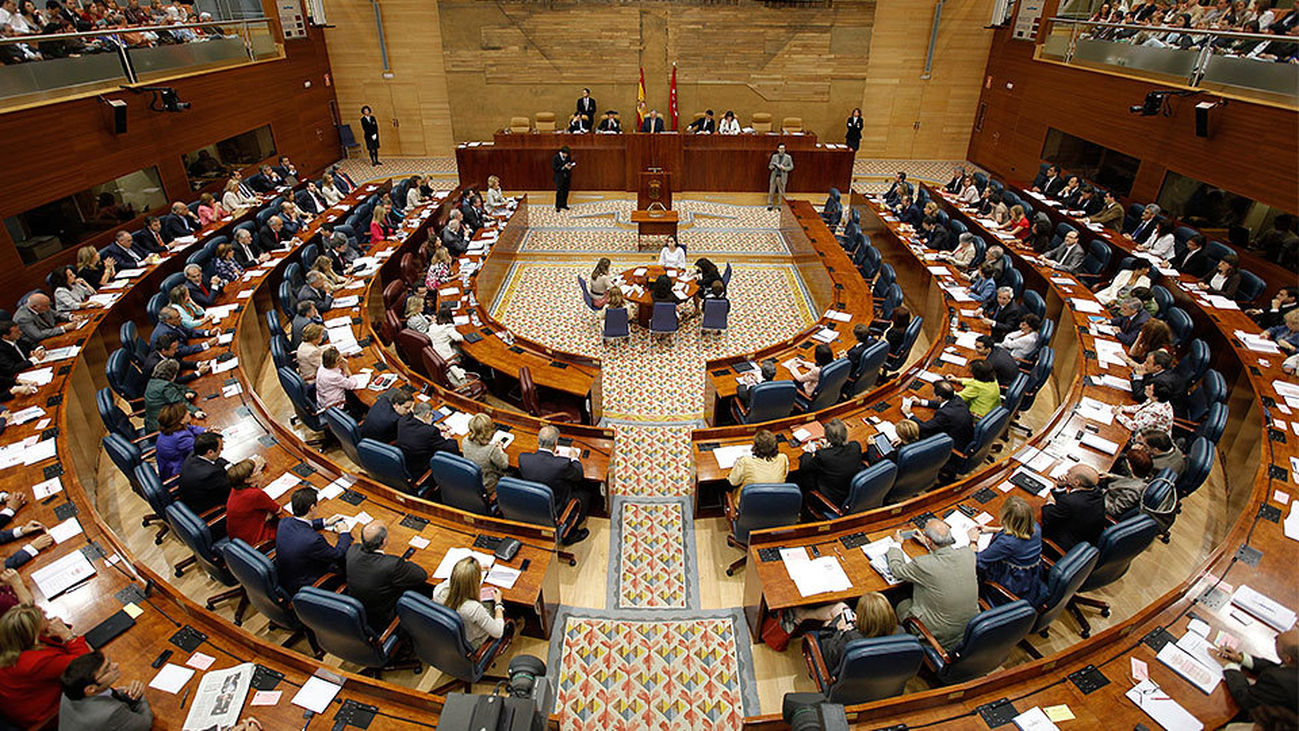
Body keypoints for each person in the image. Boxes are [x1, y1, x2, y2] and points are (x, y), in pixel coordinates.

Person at [887, 520, 979, 651]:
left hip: (937, 636)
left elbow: (896, 569)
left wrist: (896, 544)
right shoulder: (968, 554)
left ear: (930, 541)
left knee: (895, 593)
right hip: (970, 629)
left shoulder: (922, 564)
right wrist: (927, 544)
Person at [0, 605, 90, 726]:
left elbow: (57, 647)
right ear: (34, 633)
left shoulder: (15, 645)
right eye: (45, 618)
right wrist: (66, 634)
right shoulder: (35, 662)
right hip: (53, 718)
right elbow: (87, 664)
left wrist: (54, 630)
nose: (47, 615)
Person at [346, 522, 428, 628]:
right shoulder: (392, 565)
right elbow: (422, 576)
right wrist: (404, 562)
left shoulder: (352, 550)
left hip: (357, 611)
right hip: (383, 617)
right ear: (384, 541)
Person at [969, 496, 1046, 607]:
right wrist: (992, 529)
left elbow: (977, 561)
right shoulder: (1035, 527)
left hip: (1011, 583)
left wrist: (973, 541)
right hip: (1031, 578)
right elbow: (1019, 530)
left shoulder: (1007, 543)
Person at [276, 487, 352, 594]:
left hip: (286, 576)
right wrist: (344, 532)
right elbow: (338, 554)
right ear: (312, 508)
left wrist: (324, 522)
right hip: (305, 584)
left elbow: (301, 525)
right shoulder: (314, 540)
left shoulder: (284, 522)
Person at [57, 650, 153, 731]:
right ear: (91, 689)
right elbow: (145, 723)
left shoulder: (69, 691)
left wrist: (125, 693)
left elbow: (107, 693)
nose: (115, 665)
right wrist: (138, 696)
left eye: (109, 662)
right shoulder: (111, 713)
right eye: (107, 669)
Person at [1213, 628, 1298, 717]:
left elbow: (1246, 699)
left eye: (1277, 640)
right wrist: (1241, 659)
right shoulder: (1294, 662)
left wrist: (1229, 666)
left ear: (1288, 658)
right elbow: (1279, 667)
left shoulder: (1280, 682)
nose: (1275, 638)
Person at [432, 556, 508, 650]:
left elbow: (457, 580)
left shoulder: (438, 591)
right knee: (494, 606)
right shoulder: (473, 608)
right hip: (472, 639)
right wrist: (498, 603)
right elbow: (498, 632)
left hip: (450, 634)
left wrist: (472, 571)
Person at [817, 592, 897, 672]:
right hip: (886, 674)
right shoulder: (899, 632)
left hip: (845, 675)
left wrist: (839, 631)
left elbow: (829, 656)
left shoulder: (851, 639)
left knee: (828, 622)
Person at [795, 419, 862, 506]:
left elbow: (804, 466)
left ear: (827, 438)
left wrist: (808, 452)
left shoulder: (823, 456)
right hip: (849, 490)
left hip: (831, 499)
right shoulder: (855, 446)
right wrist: (828, 448)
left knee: (802, 475)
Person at [1042, 464, 1105, 550]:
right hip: (1086, 537)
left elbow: (1048, 517)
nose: (1066, 473)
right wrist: (1061, 487)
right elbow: (1068, 507)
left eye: (1069, 473)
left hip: (1065, 543)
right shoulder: (1097, 492)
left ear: (1076, 483)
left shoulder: (1071, 502)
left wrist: (1050, 503)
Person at [395, 402, 461, 477]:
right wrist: (448, 437)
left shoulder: (403, 421)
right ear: (427, 414)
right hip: (421, 469)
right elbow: (452, 448)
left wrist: (434, 424)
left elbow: (415, 418)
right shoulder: (430, 432)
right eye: (432, 415)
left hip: (406, 463)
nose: (432, 417)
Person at [904, 380, 974, 448]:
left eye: (934, 394)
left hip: (955, 445)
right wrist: (921, 402)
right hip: (966, 436)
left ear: (939, 398)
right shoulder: (957, 398)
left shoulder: (944, 414)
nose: (933, 395)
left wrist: (909, 414)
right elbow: (942, 404)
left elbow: (924, 427)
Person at [225, 458, 278, 546]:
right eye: (256, 470)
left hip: (240, 540)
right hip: (257, 542)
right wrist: (266, 515)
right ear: (247, 480)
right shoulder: (255, 494)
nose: (260, 471)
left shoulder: (235, 489)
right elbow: (277, 510)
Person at [727, 429, 789, 501]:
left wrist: (736, 465)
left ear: (755, 447)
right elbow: (785, 474)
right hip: (774, 501)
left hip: (748, 504)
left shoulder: (745, 461)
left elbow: (733, 482)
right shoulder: (783, 458)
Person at [143, 358, 201, 433]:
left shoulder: (155, 381)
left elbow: (180, 387)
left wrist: (186, 392)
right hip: (162, 427)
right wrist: (195, 411)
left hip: (153, 422)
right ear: (173, 375)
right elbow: (179, 402)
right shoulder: (165, 386)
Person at [461, 413, 509, 497]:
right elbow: (505, 465)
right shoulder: (492, 450)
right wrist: (500, 450)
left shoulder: (465, 441)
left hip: (472, 480)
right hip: (488, 484)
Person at [156, 402, 203, 480]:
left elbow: (190, 428)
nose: (189, 412)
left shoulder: (171, 427)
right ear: (180, 420)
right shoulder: (181, 438)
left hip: (165, 466)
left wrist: (205, 431)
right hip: (178, 474)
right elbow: (201, 451)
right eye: (186, 412)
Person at [316, 346, 366, 419]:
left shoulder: (322, 367)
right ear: (336, 362)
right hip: (334, 405)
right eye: (340, 359)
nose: (342, 359)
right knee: (358, 398)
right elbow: (351, 385)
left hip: (323, 399)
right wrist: (346, 368)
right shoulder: (333, 376)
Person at [767, 143, 794, 211]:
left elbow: (791, 167)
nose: (782, 150)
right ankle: (770, 204)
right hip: (774, 176)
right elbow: (770, 166)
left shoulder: (788, 157)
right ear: (778, 149)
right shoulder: (774, 156)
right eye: (780, 148)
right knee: (771, 191)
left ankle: (780, 205)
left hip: (782, 176)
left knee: (781, 192)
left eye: (783, 148)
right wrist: (773, 167)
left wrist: (785, 168)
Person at [552, 146, 574, 212]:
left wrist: (569, 166)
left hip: (566, 176)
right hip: (559, 177)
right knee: (559, 192)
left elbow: (569, 163)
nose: (567, 156)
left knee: (565, 191)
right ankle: (558, 206)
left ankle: (564, 204)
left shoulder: (567, 157)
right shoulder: (556, 158)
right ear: (562, 153)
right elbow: (555, 168)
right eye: (566, 154)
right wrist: (563, 167)